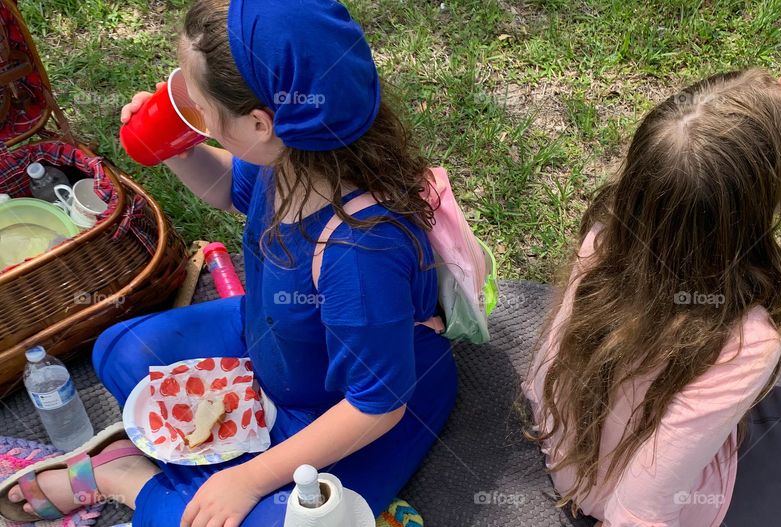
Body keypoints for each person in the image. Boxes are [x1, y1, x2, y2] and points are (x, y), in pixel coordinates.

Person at [3, 1, 456, 526]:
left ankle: (127, 478)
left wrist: (249, 479)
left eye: (196, 104)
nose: (187, 109)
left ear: (261, 123)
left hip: (350, 407)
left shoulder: (358, 252)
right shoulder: (295, 155)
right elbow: (228, 189)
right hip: (273, 343)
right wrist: (176, 149)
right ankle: (203, 475)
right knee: (119, 351)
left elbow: (379, 405)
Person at [522, 52, 781, 527]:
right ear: (765, 201)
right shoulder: (743, 343)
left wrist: (769, 110)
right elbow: (635, 512)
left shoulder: (608, 234)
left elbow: (709, 158)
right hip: (622, 497)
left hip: (568, 441)